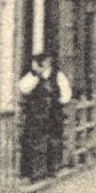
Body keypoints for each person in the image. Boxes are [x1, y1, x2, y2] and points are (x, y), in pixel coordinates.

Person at [17, 53, 70, 181]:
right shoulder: (32, 76)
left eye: (45, 61)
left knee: (53, 141)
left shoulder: (58, 76)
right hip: (35, 116)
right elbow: (23, 88)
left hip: (53, 115)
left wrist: (57, 102)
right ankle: (35, 172)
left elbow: (66, 94)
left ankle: (51, 169)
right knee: (33, 142)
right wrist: (36, 75)